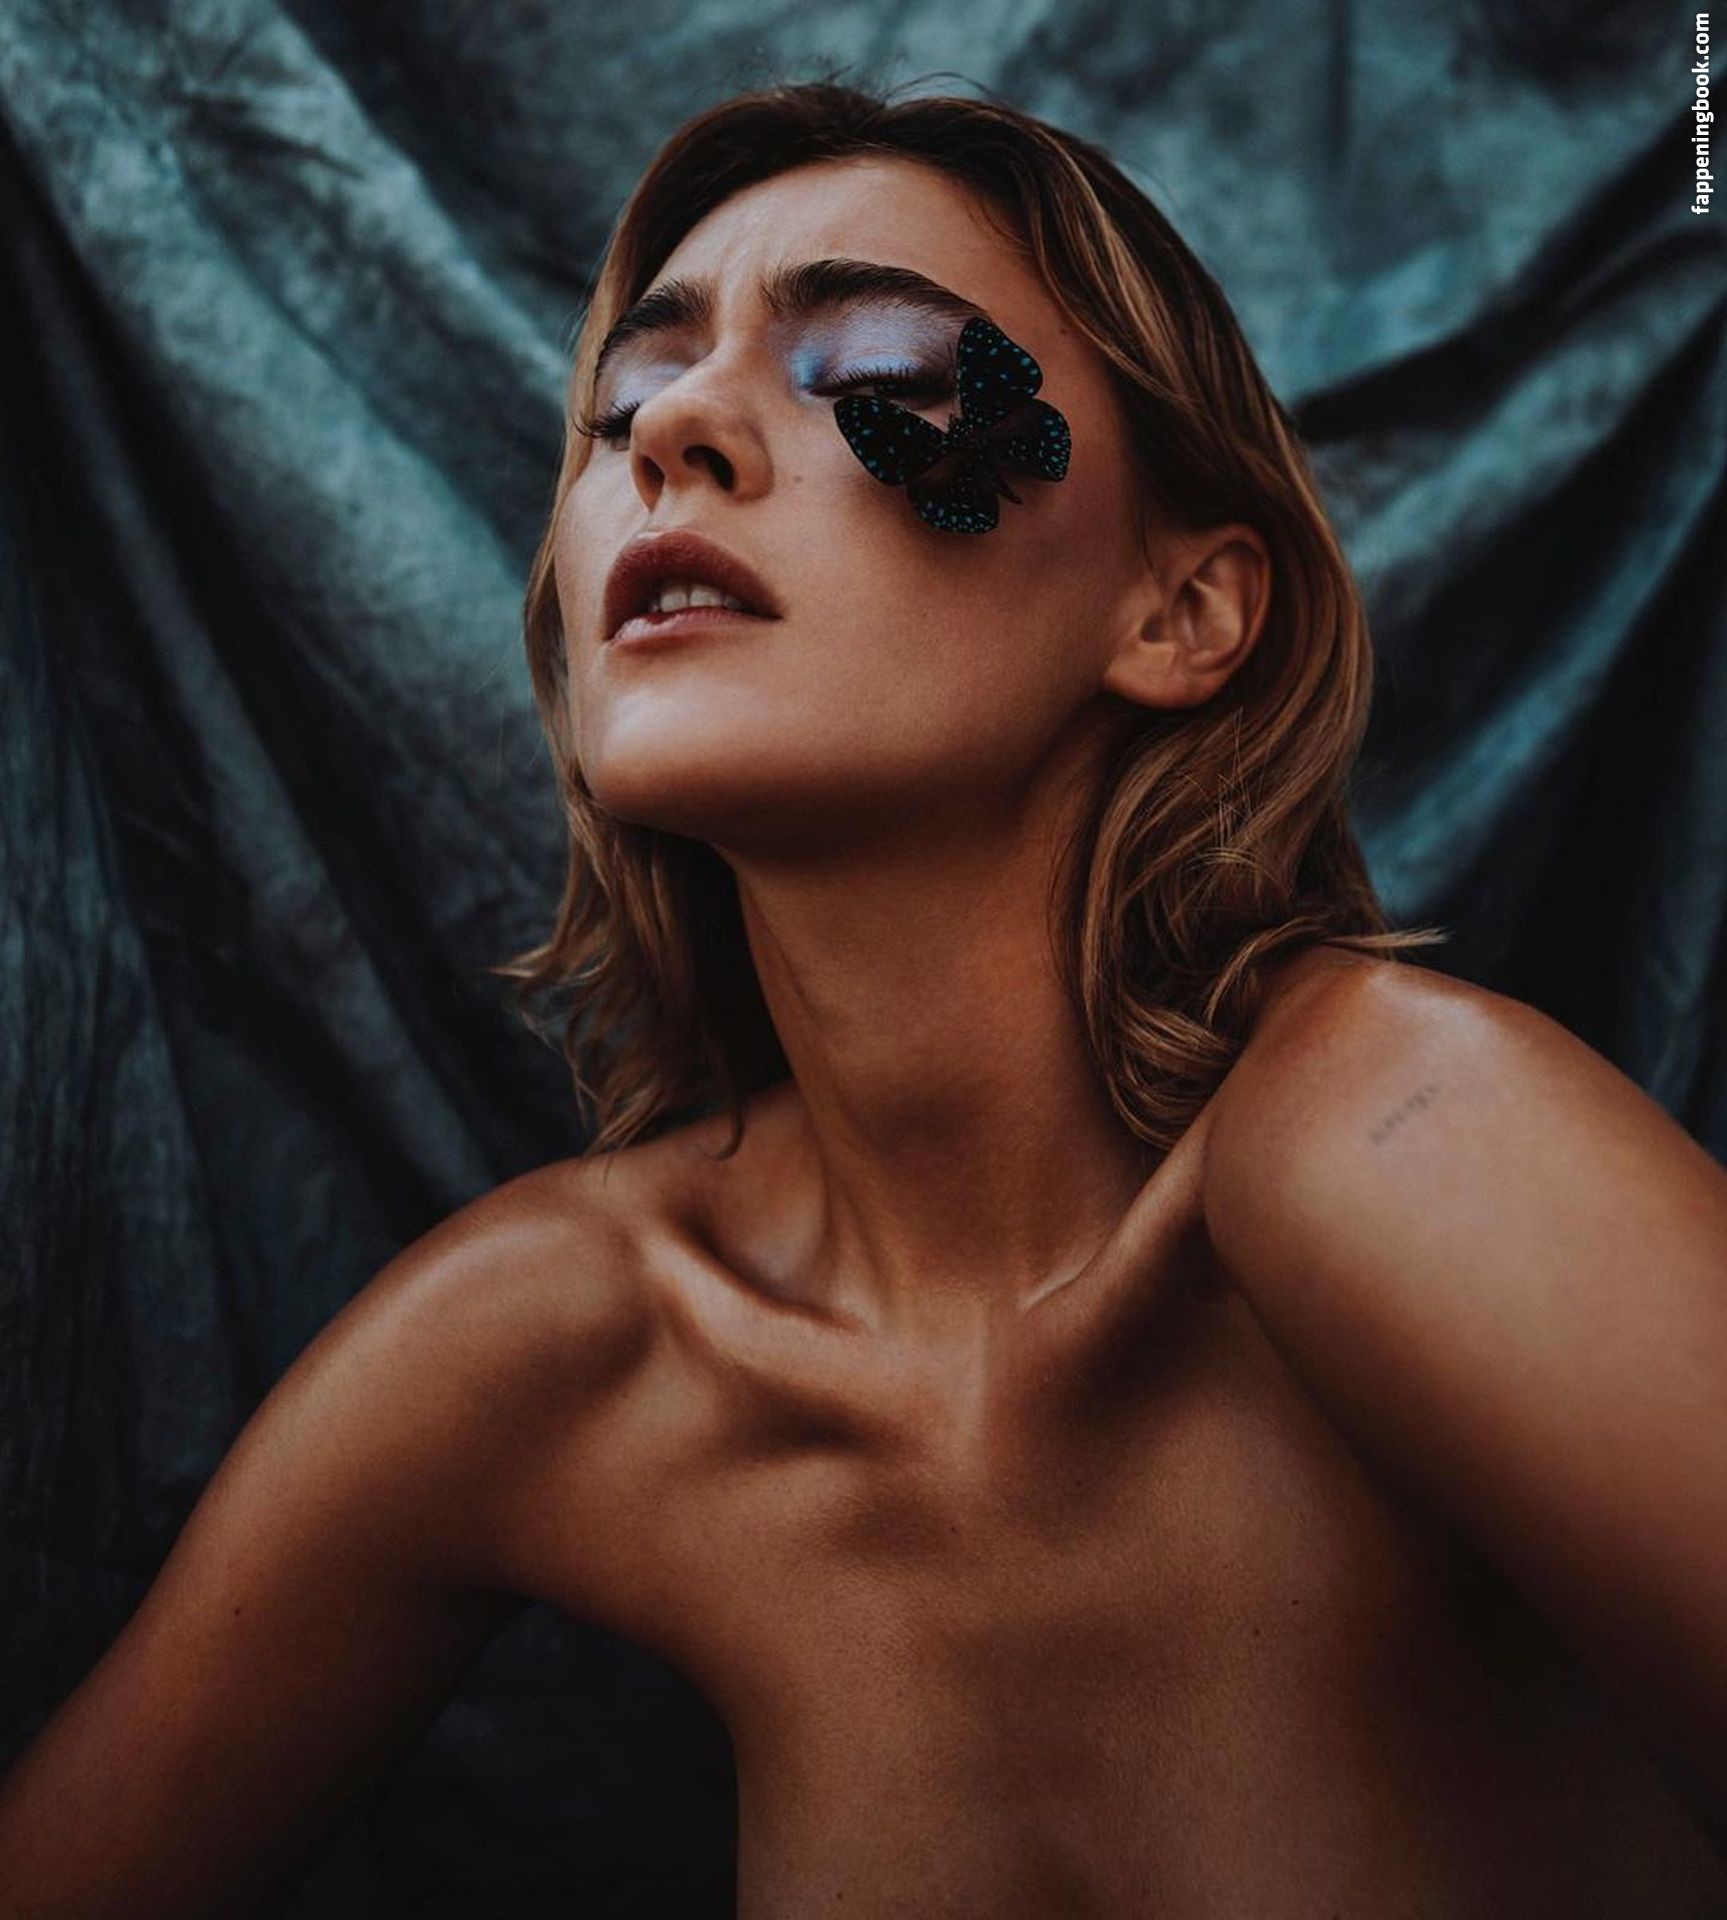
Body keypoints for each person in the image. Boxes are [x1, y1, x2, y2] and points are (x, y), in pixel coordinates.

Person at [3, 77, 1725, 1920]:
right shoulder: (573, 1339)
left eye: (878, 369)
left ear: (1182, 614)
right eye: (622, 406)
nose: (677, 430)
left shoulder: (1394, 1139)